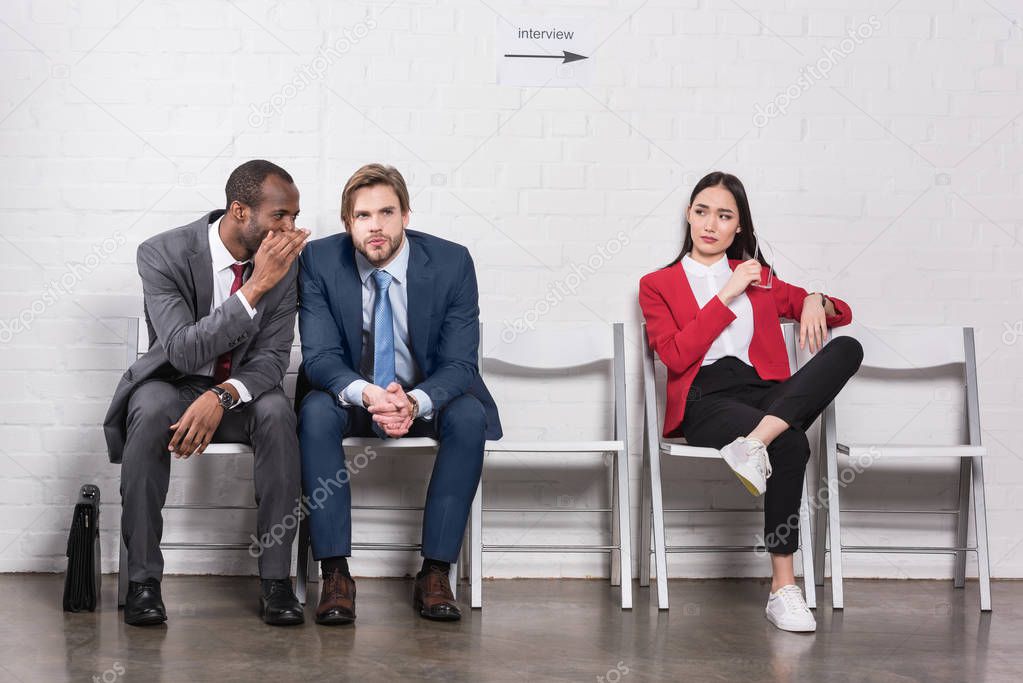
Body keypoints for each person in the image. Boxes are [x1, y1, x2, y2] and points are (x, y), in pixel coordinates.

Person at [639, 171, 862, 632]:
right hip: (705, 397)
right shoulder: (658, 283)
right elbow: (676, 355)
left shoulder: (761, 282)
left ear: (738, 226)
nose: (710, 224)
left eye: (724, 216)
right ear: (688, 214)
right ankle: (783, 587)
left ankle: (754, 443)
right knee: (793, 444)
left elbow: (843, 312)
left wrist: (814, 298)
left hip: (762, 393)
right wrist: (727, 293)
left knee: (848, 348)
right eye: (702, 211)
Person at [103, 160, 309, 626]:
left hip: (239, 393)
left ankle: (277, 582)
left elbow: (273, 359)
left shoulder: (286, 265)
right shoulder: (162, 254)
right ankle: (142, 582)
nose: (291, 229)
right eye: (280, 216)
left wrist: (223, 397)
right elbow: (180, 349)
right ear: (240, 211)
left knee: (278, 412)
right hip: (173, 385)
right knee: (150, 406)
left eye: (295, 217)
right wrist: (255, 287)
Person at [297, 163, 501, 625]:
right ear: (348, 221)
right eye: (363, 216)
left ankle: (434, 572)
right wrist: (371, 395)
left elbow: (458, 364)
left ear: (406, 214)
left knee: (469, 417)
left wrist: (413, 401)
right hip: (353, 394)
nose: (376, 226)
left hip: (426, 396)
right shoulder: (318, 262)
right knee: (313, 412)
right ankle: (334, 573)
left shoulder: (451, 263)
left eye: (387, 212)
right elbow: (322, 358)